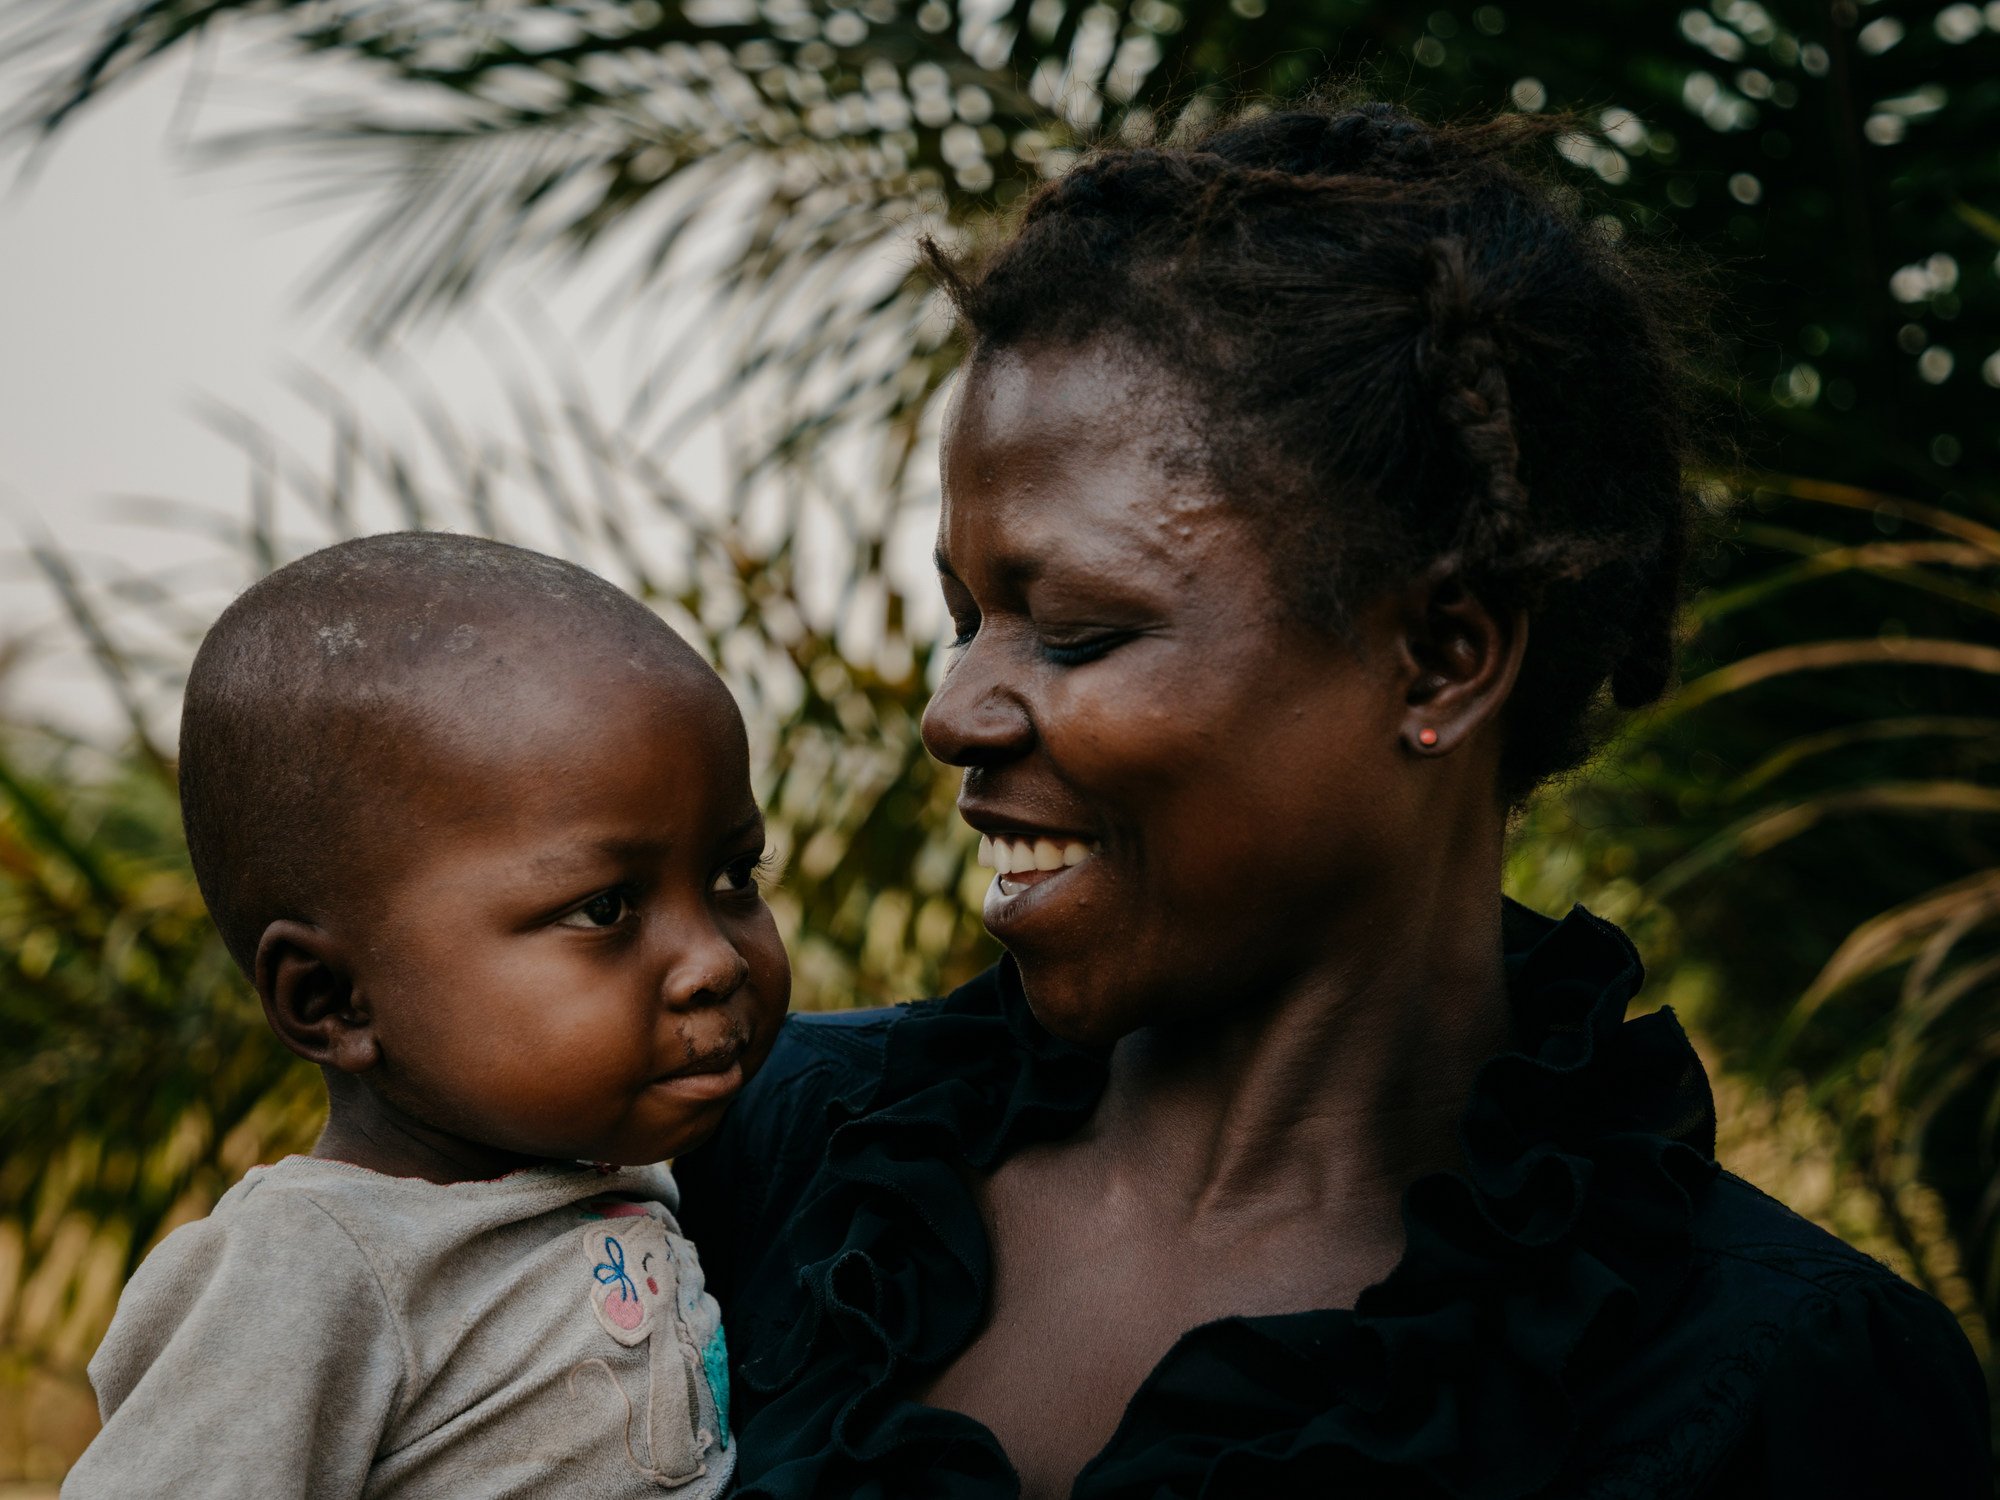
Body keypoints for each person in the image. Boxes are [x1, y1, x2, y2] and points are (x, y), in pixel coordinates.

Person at [675, 102, 1992, 1497]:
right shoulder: (753, 1154)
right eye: (968, 616)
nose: (953, 714)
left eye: (1074, 632)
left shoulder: (1770, 1382)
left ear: (1442, 658)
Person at [65, 533, 790, 1499]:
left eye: (734, 875)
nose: (714, 960)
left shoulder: (634, 1170)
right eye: (605, 909)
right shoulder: (310, 1271)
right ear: (331, 999)